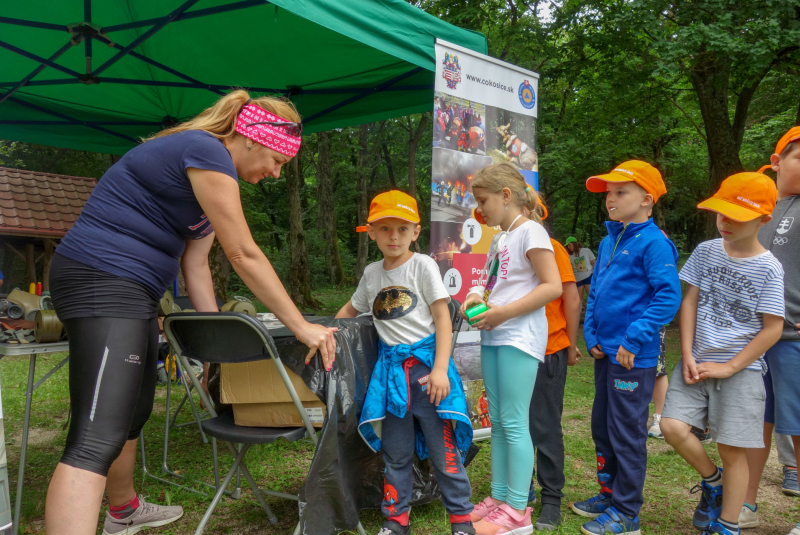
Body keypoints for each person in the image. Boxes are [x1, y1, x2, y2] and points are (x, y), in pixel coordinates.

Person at [44, 90, 338, 535]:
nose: (276, 174)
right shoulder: (205, 150)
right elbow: (243, 254)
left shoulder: (207, 181)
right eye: (278, 161)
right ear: (253, 139)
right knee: (95, 437)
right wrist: (301, 326)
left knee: (133, 410)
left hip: (133, 292)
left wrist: (215, 352)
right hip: (101, 279)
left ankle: (122, 511)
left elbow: (197, 266)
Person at [339, 190, 475, 535]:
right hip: (391, 380)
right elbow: (350, 312)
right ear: (371, 232)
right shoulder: (371, 274)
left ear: (416, 231)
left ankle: (461, 522)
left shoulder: (423, 266)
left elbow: (443, 319)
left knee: (443, 454)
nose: (394, 236)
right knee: (395, 453)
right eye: (385, 229)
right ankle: (395, 520)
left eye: (402, 228)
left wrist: (441, 369)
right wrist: (326, 333)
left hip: (428, 374)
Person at [660, 171, 784, 535]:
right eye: (720, 212)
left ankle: (728, 525)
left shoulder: (768, 267)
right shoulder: (706, 250)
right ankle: (711, 481)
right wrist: (686, 353)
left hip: (741, 371)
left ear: (764, 219)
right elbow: (691, 301)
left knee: (733, 450)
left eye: (736, 216)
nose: (725, 221)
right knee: (671, 426)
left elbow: (773, 327)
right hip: (696, 361)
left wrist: (730, 367)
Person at [571, 160, 681, 535]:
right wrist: (592, 335)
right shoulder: (608, 240)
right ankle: (608, 493)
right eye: (608, 193)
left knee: (626, 432)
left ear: (647, 199)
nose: (610, 199)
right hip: (607, 353)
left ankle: (627, 513)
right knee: (602, 427)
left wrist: (633, 339)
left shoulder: (655, 243)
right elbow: (596, 290)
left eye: (621, 192)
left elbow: (668, 297)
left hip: (633, 358)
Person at [460, 162, 562, 534]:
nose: (479, 210)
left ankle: (518, 512)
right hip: (494, 335)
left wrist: (502, 314)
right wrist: (474, 296)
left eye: (483, 200)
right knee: (500, 423)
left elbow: (552, 286)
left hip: (518, 337)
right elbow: (487, 283)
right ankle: (499, 500)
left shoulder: (530, 231)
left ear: (506, 196)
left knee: (515, 423)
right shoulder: (501, 238)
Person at [744, 126, 800, 532]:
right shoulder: (763, 209)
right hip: (754, 338)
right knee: (754, 423)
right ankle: (745, 503)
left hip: (793, 339)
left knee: (797, 426)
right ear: (777, 162)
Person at [527, 234, 582, 531]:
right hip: (513, 350)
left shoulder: (550, 246)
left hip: (548, 349)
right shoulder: (505, 244)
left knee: (544, 426)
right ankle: (522, 490)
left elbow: (571, 298)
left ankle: (551, 500)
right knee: (516, 425)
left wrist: (571, 345)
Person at [564, 237, 595, 302]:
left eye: (569, 245)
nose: (568, 247)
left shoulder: (586, 251)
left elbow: (594, 263)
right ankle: (579, 311)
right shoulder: (569, 256)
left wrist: (595, 274)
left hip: (588, 276)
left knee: (591, 296)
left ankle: (591, 311)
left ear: (574, 244)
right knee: (578, 298)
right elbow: (569, 269)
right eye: (567, 246)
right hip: (578, 279)